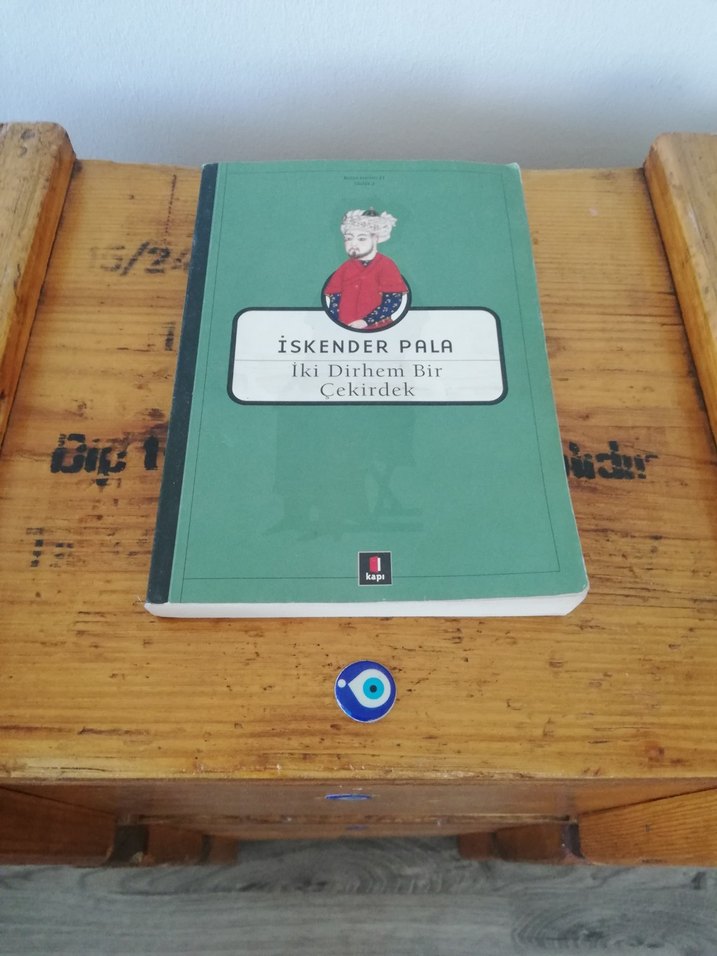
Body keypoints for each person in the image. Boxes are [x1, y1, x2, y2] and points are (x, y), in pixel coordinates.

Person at [324, 208, 408, 330]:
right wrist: (338, 324)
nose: (353, 243)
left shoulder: (386, 265)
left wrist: (366, 321)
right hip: (344, 329)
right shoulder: (345, 267)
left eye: (361, 238)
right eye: (348, 238)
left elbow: (392, 301)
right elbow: (334, 301)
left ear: (376, 239)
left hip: (378, 328)